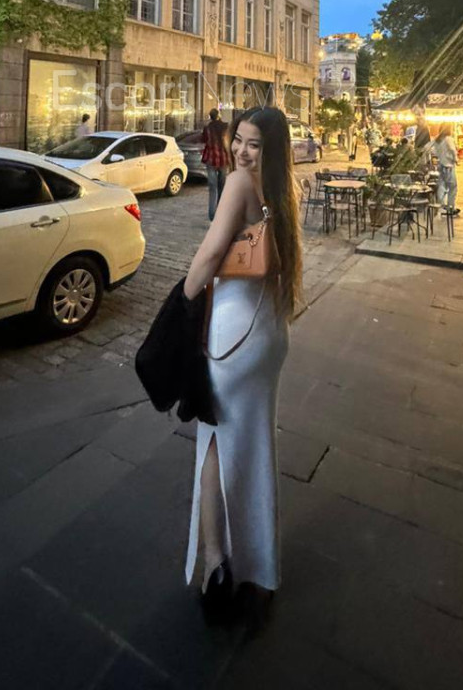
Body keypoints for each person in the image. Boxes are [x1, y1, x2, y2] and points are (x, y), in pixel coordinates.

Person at [182, 107, 303, 623]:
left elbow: (210, 257)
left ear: (269, 151)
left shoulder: (237, 185)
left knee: (214, 443)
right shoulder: (283, 191)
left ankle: (217, 565)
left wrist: (181, 304)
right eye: (239, 140)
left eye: (254, 144)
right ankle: (257, 567)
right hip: (268, 331)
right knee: (253, 447)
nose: (241, 151)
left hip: (234, 333)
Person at [201, 108, 230, 221]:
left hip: (211, 159)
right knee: (222, 186)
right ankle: (220, 212)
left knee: (212, 188)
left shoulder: (207, 128)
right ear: (218, 115)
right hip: (223, 159)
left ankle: (212, 214)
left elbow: (203, 140)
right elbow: (229, 141)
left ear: (211, 117)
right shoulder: (226, 126)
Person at [430, 123, 459, 215]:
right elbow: (452, 149)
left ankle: (441, 205)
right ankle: (451, 206)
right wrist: (456, 159)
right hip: (449, 165)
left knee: (442, 185)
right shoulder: (448, 138)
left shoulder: (437, 139)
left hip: (441, 164)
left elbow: (433, 150)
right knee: (452, 187)